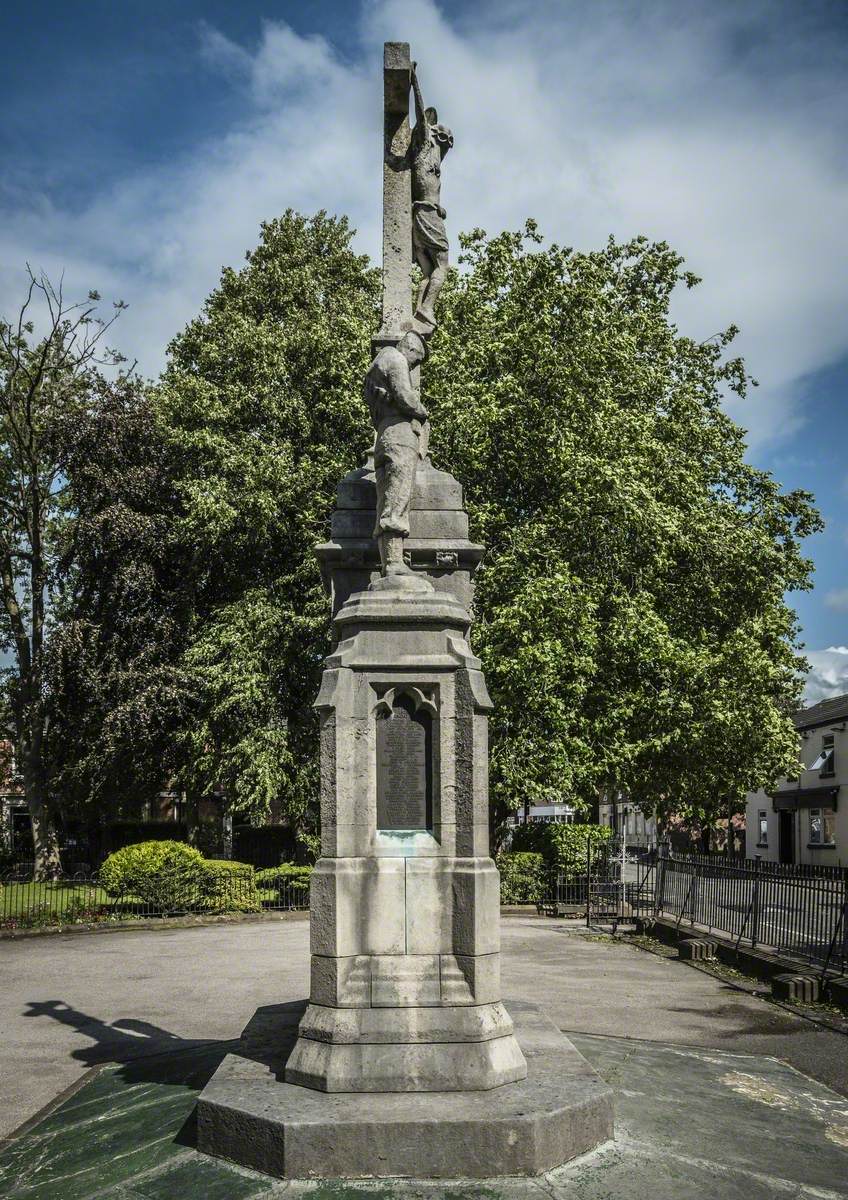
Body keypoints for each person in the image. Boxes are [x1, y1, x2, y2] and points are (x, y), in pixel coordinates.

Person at [364, 330, 429, 577]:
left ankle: (389, 562)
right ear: (411, 348)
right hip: (400, 437)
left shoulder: (377, 365)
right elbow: (405, 396)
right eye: (416, 361)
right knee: (397, 500)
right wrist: (422, 411)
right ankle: (393, 564)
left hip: (384, 436)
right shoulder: (395, 357)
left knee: (386, 500)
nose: (414, 366)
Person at [410, 63, 453, 329]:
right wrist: (414, 81)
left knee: (428, 271)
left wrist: (441, 209)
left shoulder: (434, 158)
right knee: (444, 266)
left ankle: (419, 313)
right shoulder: (426, 144)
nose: (448, 140)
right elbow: (420, 113)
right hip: (425, 213)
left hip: (425, 211)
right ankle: (427, 307)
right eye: (445, 136)